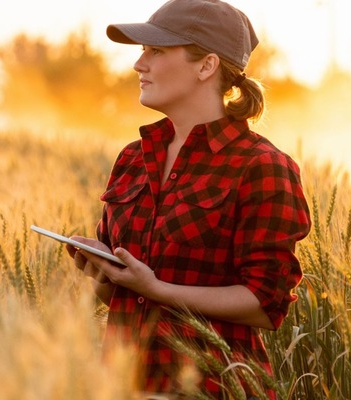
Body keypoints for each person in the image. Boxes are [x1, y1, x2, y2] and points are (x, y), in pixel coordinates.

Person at [65, 0, 311, 398]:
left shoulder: (260, 166)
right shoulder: (132, 158)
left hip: (216, 387)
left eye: (156, 51)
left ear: (206, 66)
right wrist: (102, 272)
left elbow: (265, 304)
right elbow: (126, 294)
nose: (138, 64)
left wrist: (158, 289)